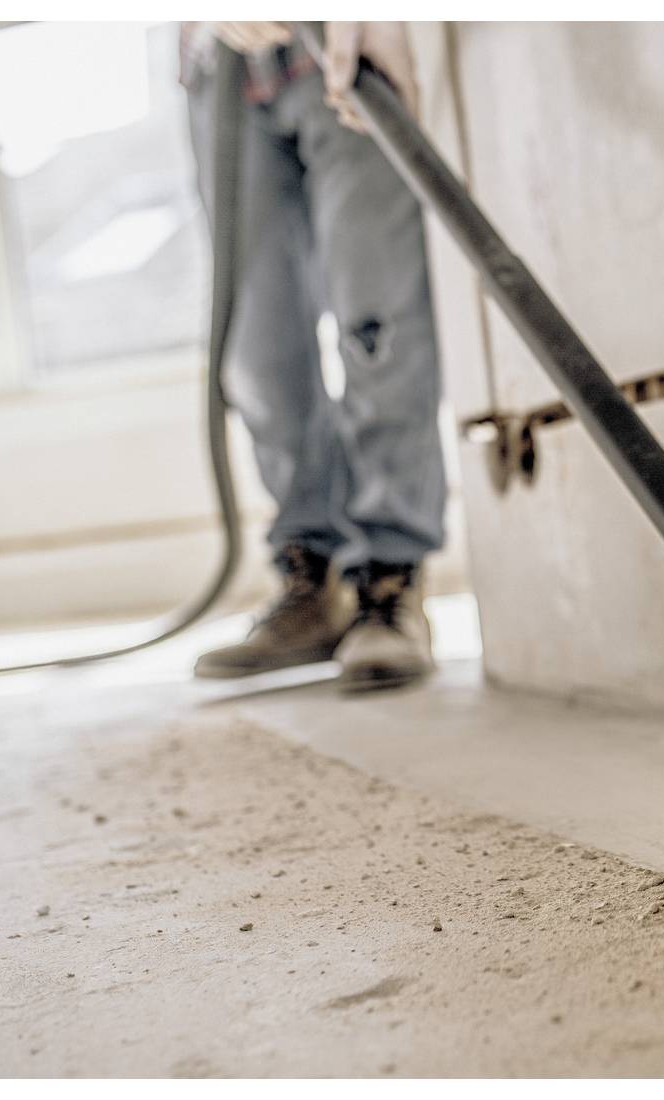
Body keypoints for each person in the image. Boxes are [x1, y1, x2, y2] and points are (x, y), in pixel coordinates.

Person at [181, 21, 443, 691]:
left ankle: (389, 578)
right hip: (220, 59)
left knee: (377, 324)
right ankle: (311, 579)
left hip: (343, 37)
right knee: (258, 350)